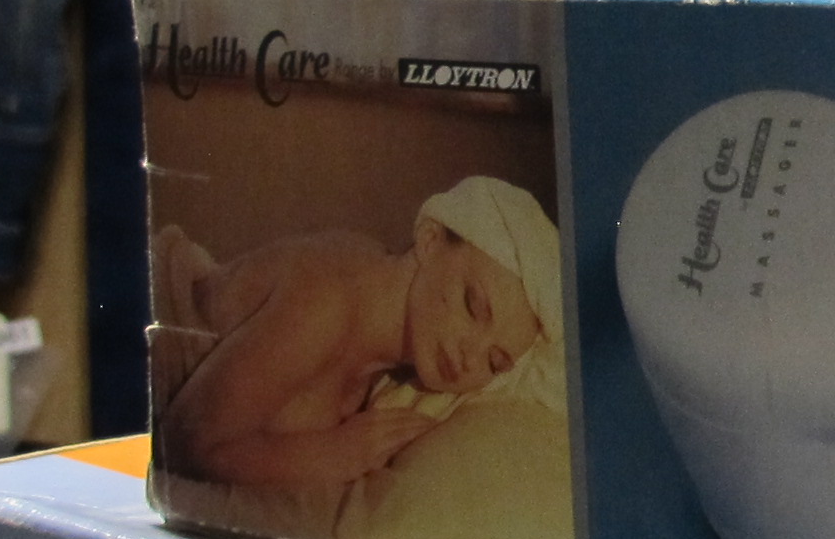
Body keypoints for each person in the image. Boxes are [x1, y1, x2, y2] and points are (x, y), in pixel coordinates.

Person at [158, 175, 561, 491]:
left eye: (494, 361)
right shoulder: (332, 296)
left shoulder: (391, 358)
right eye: (473, 306)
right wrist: (338, 453)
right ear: (430, 240)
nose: (471, 356)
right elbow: (187, 441)